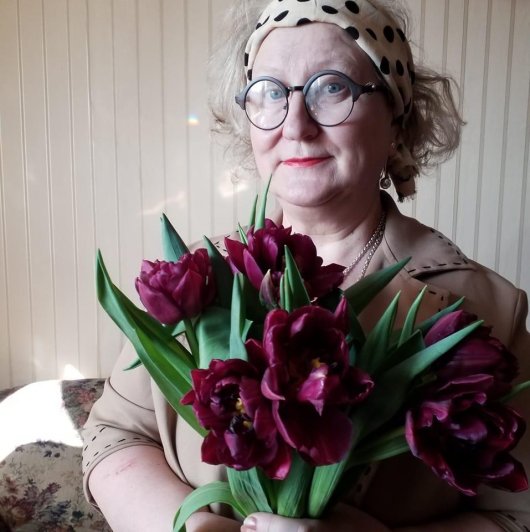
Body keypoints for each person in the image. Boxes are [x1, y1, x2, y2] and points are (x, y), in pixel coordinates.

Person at [81, 0, 530, 530]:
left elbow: (515, 514)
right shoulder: (193, 279)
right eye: (270, 91)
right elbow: (113, 435)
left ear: (396, 117)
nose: (295, 124)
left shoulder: (486, 309)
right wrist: (193, 527)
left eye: (332, 86)